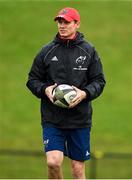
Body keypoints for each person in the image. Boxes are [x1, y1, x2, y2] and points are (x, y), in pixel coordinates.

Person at [26, 7, 106, 179]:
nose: (62, 26)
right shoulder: (46, 51)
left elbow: (99, 81)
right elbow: (32, 80)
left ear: (77, 24)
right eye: (60, 22)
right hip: (52, 118)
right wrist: (45, 89)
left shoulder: (89, 51)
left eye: (66, 22)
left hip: (79, 119)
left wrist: (84, 93)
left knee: (78, 170)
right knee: (53, 162)